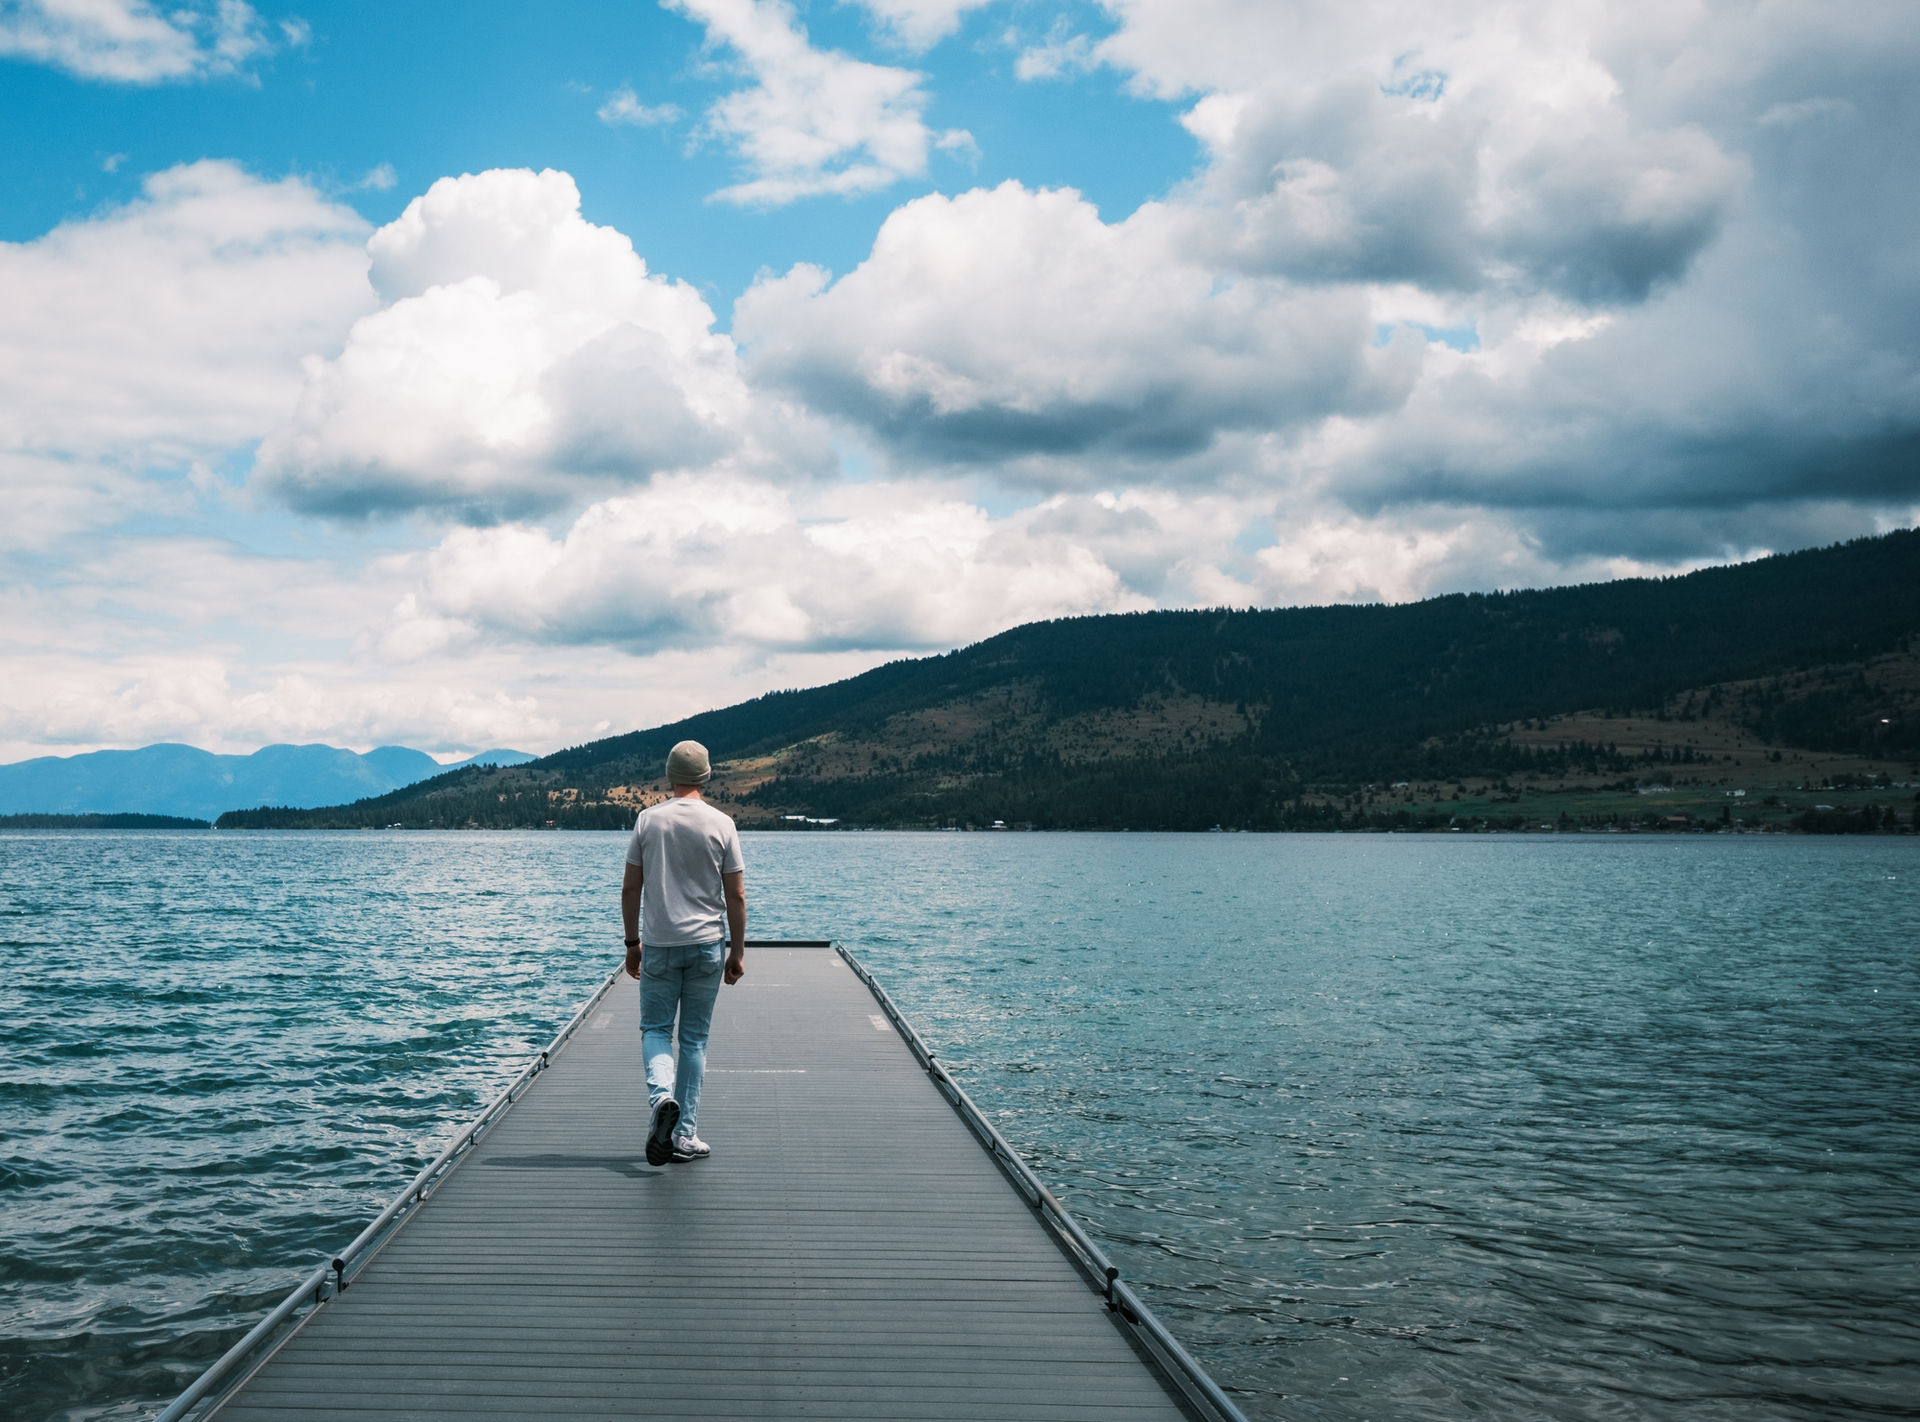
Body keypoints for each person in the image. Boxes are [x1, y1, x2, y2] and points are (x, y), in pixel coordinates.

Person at [621, 739, 747, 1166]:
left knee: (656, 1030)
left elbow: (630, 888)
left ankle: (661, 1102)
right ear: (706, 776)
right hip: (707, 945)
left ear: (670, 775)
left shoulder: (647, 821)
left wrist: (631, 944)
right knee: (693, 1039)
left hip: (658, 944)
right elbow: (737, 897)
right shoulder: (722, 824)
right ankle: (685, 1134)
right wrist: (738, 952)